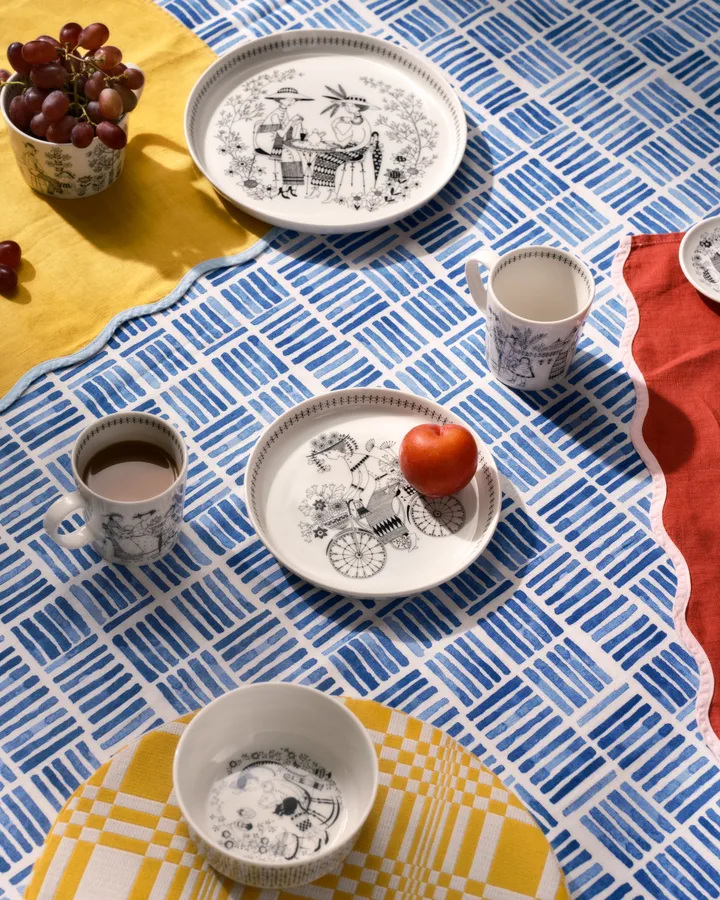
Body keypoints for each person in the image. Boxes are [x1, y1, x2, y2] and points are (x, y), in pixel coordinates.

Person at [307, 86, 376, 203]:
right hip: (348, 148)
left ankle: (331, 192)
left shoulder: (364, 124)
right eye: (347, 105)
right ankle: (316, 189)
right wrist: (334, 126)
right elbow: (342, 139)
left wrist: (345, 150)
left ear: (359, 108)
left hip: (358, 151)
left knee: (329, 159)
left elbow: (365, 142)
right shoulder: (354, 121)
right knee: (320, 156)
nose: (347, 108)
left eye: (350, 106)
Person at [253, 87, 312, 198]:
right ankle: (284, 188)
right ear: (279, 99)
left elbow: (287, 131)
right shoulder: (275, 114)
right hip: (267, 141)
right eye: (288, 99)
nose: (291, 101)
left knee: (297, 156)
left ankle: (293, 186)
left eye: (293, 99)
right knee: (288, 156)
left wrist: (295, 123)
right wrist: (292, 121)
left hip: (278, 140)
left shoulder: (284, 112)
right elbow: (281, 133)